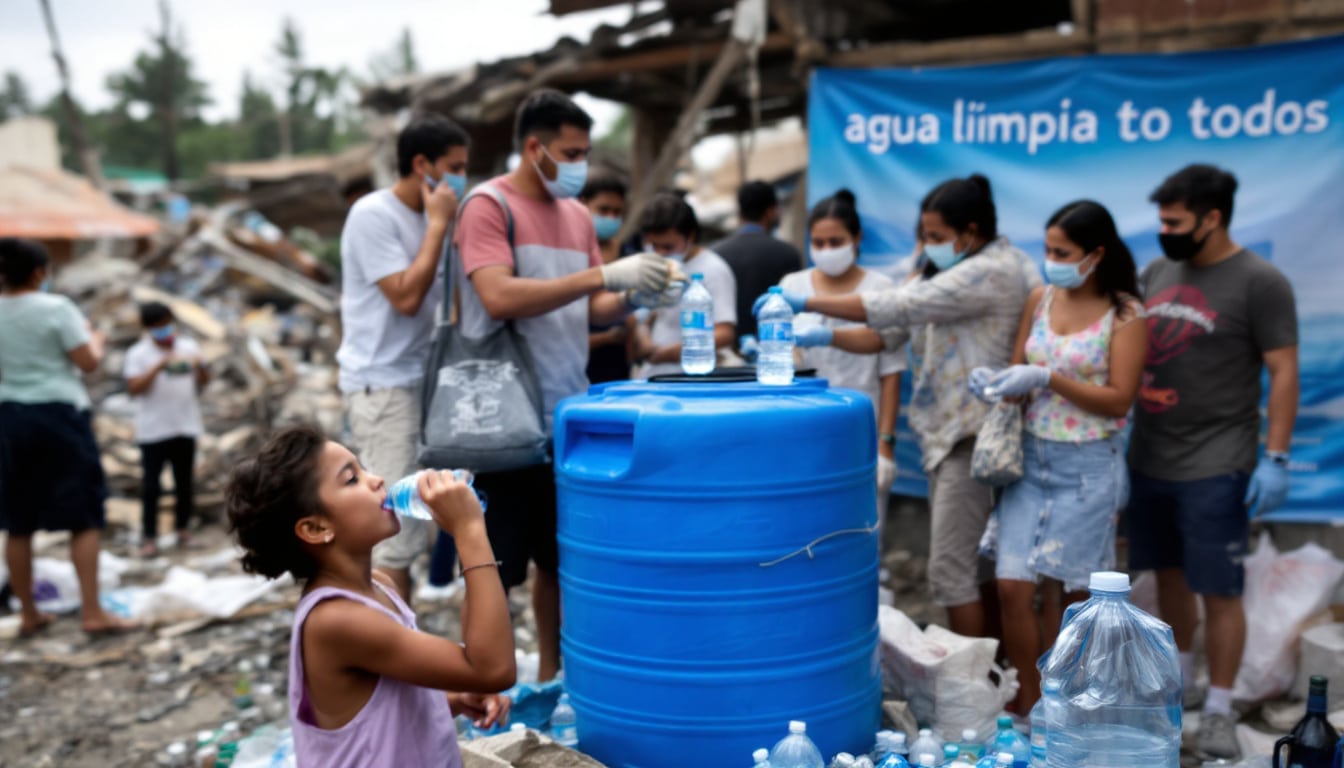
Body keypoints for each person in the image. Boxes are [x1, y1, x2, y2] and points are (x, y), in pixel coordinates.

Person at [454, 89, 676, 681]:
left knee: (559, 559)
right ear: (535, 148)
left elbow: (591, 307)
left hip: (565, 412)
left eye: (584, 151)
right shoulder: (486, 206)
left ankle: (552, 677)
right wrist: (600, 273)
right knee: (493, 564)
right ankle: (483, 683)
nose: (579, 163)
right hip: (497, 416)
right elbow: (498, 295)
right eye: (570, 152)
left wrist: (633, 296)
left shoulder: (575, 216)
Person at [757, 175, 1041, 638]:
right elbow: (883, 336)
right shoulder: (944, 269)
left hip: (976, 436)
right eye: (924, 236)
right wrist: (823, 333)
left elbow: (901, 304)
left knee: (951, 572)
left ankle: (975, 687)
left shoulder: (993, 269)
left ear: (969, 232)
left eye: (935, 237)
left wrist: (806, 301)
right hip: (945, 436)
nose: (927, 247)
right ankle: (994, 673)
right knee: (975, 567)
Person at [1126, 164, 1298, 760]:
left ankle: (1220, 709)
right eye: (1161, 219)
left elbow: (1283, 371)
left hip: (1217, 460)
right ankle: (1182, 688)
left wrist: (1276, 456)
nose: (1163, 231)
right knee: (1168, 577)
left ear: (1212, 217)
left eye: (1173, 221)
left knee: (1218, 589)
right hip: (1149, 457)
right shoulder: (1157, 271)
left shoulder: (1260, 281)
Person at [226, 425, 514, 767]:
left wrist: (452, 698)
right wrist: (469, 531)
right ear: (316, 529)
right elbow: (493, 669)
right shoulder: (337, 620)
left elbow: (384, 703)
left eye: (362, 468)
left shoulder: (379, 586)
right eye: (351, 479)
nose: (377, 480)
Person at [968, 200, 1147, 713]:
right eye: (1046, 249)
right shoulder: (1040, 298)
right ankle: (1027, 701)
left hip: (1090, 466)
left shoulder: (1127, 314)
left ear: (1095, 255)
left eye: (1061, 251)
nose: (1050, 259)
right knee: (1012, 586)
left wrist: (1049, 378)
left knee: (1069, 599)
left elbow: (1118, 399)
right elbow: (1019, 372)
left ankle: (1065, 704)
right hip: (1030, 460)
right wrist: (1002, 384)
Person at [335, 113, 468, 603]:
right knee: (391, 533)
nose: (460, 178)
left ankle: (402, 645)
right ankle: (393, 658)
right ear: (421, 164)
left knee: (418, 522)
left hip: (424, 382)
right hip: (383, 387)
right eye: (453, 167)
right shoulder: (374, 215)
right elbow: (406, 298)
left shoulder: (431, 219)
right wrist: (437, 226)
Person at [0, 238, 134, 637]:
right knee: (84, 518)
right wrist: (96, 339)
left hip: (9, 419)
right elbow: (88, 362)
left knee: (18, 523)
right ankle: (92, 611)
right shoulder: (57, 308)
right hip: (59, 416)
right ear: (39, 272)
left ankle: (28, 613)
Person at [786, 189, 904, 529]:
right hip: (804, 427)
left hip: (861, 426)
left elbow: (892, 371)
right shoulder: (793, 286)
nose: (825, 251)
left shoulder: (881, 289)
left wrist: (886, 444)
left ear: (857, 238)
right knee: (808, 522)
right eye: (818, 243)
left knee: (864, 525)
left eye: (835, 241)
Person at [124, 301, 209, 557]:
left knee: (185, 483)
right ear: (148, 328)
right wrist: (158, 367)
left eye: (167, 324)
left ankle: (183, 530)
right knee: (152, 486)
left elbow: (203, 382)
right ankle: (149, 537)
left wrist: (200, 368)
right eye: (158, 326)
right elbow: (134, 389)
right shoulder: (138, 354)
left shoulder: (189, 347)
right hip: (153, 430)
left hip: (185, 425)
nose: (165, 330)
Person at [633, 192, 738, 378]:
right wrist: (643, 335)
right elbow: (647, 315)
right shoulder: (655, 266)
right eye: (653, 245)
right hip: (654, 374)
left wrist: (672, 352)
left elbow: (724, 333)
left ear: (690, 236)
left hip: (689, 378)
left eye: (668, 247)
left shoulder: (714, 270)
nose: (660, 253)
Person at [713, 180, 802, 344]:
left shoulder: (716, 254)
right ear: (771, 211)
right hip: (775, 349)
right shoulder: (788, 253)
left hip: (726, 354)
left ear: (740, 212)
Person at [580, 170, 636, 384]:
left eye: (617, 212)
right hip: (579, 371)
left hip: (618, 372)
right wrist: (605, 338)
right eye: (603, 210)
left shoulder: (627, 254)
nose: (610, 218)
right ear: (582, 205)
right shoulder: (572, 257)